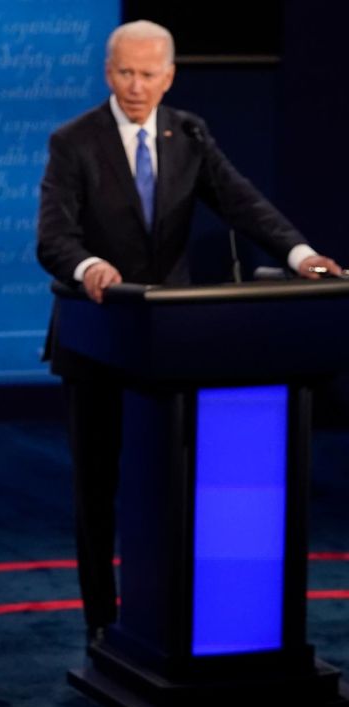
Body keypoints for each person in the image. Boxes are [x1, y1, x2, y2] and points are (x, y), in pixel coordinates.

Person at [36, 20, 342, 643]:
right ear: (107, 71)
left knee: (166, 486)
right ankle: (102, 620)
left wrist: (301, 256)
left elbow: (243, 203)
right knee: (97, 491)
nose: (136, 85)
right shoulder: (74, 141)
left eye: (149, 74)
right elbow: (53, 239)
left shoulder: (189, 134)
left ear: (169, 76)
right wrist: (90, 266)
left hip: (171, 346)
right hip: (97, 338)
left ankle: (165, 615)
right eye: (125, 72)